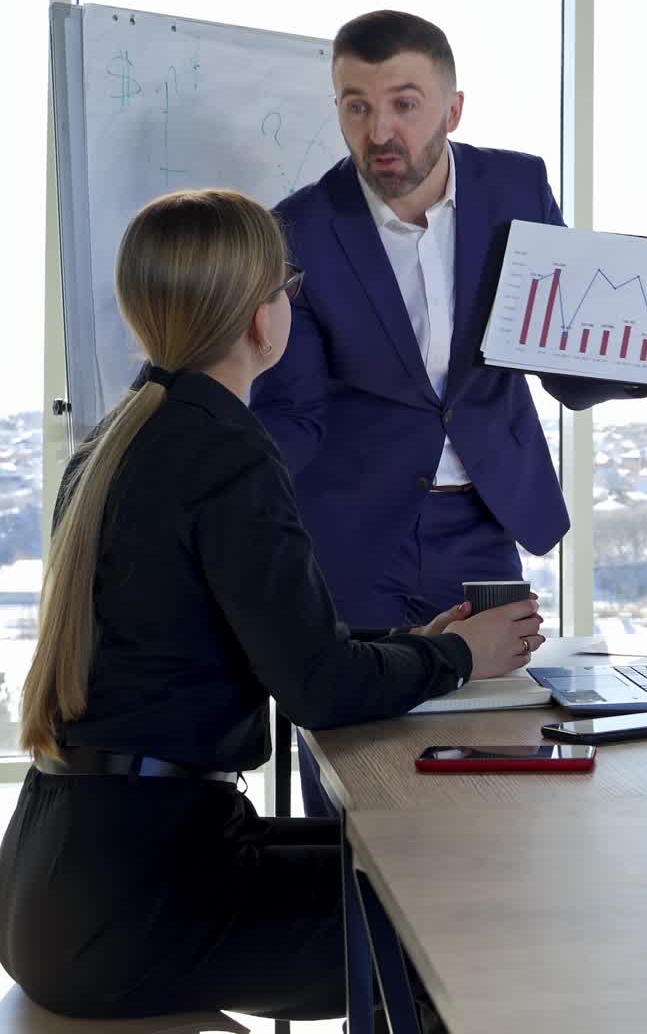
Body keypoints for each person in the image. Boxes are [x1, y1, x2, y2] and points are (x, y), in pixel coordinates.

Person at [0, 190, 543, 1022]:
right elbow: (317, 688)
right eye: (288, 285)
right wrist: (464, 657)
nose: (293, 301)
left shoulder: (121, 439)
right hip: (141, 906)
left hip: (66, 880)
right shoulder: (227, 454)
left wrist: (414, 646)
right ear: (261, 320)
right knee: (457, 914)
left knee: (399, 860)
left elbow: (271, 636)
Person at [248, 10, 647, 815]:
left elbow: (567, 369)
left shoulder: (515, 186)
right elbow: (295, 414)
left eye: (404, 103)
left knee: (491, 780)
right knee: (357, 788)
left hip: (482, 526)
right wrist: (210, 467)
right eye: (356, 105)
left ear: (453, 109)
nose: (380, 130)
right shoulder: (297, 227)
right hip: (350, 537)